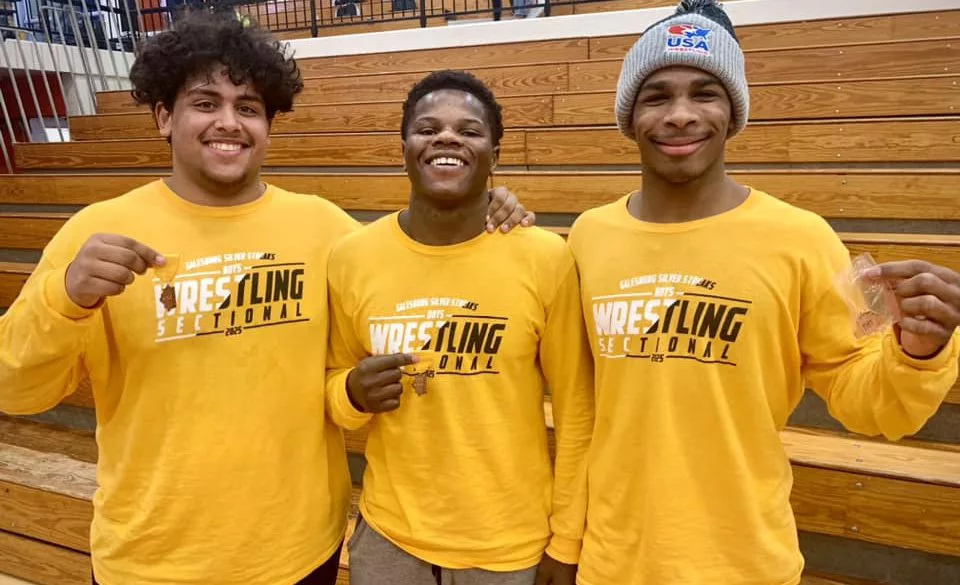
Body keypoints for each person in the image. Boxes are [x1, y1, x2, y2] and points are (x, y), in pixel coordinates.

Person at [0, 10, 532, 585]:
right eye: (206, 103)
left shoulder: (324, 229)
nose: (228, 122)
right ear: (163, 116)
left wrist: (483, 207)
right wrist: (64, 298)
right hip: (152, 561)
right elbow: (17, 391)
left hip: (299, 553)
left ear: (268, 125)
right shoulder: (96, 232)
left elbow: (424, 275)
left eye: (248, 108)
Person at [566, 1, 960, 584]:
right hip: (612, 560)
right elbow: (580, 405)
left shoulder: (799, 238)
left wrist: (918, 351)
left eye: (705, 93)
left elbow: (868, 399)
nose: (680, 115)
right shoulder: (589, 236)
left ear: (733, 112)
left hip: (745, 560)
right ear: (629, 117)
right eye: (656, 96)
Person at [324, 70, 595, 585]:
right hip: (389, 537)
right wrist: (353, 394)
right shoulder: (352, 256)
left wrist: (566, 539)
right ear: (403, 147)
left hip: (508, 546)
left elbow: (577, 410)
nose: (446, 138)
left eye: (469, 131)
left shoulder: (545, 258)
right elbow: (335, 386)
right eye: (427, 128)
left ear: (495, 154)